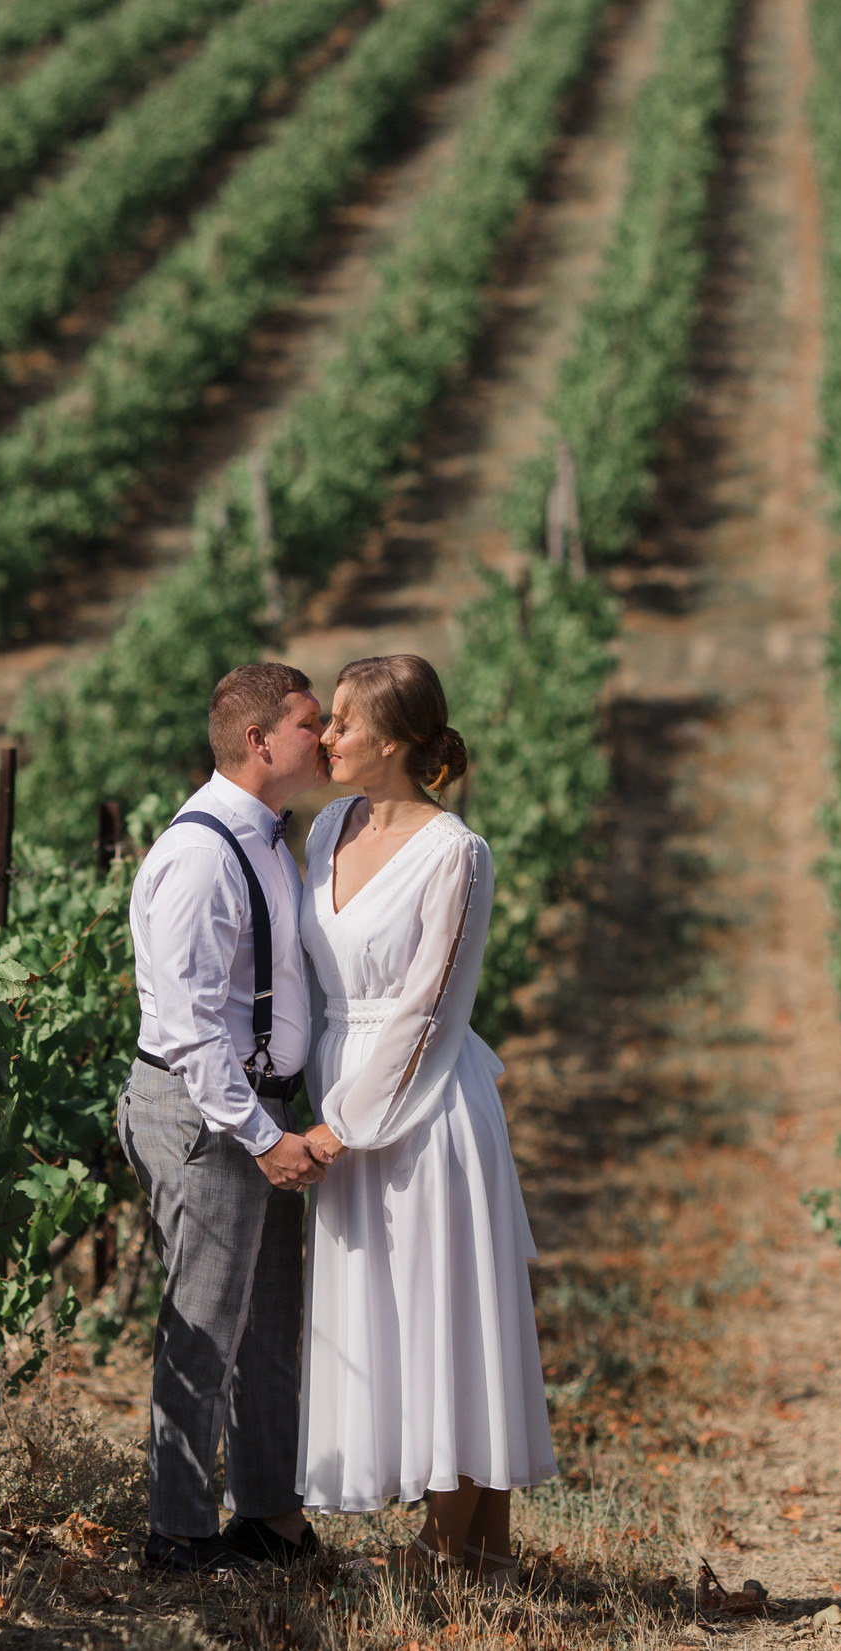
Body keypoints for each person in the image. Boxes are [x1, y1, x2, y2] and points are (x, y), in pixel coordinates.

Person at [294, 653, 557, 1589]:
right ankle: (480, 1563)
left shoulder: (456, 852)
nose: (325, 736)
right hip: (344, 1097)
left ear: (395, 742)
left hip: (424, 1111)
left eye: (342, 722)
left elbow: (428, 1007)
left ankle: (454, 1556)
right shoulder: (328, 827)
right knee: (399, 1320)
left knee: (448, 1320)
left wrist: (341, 1127)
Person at [119, 662, 332, 1576]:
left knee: (267, 1323)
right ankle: (178, 1532)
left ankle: (272, 1517)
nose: (324, 739)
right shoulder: (205, 852)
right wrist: (263, 1136)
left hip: (259, 1110)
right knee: (205, 1324)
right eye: (309, 723)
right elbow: (192, 1029)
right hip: (211, 1116)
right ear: (260, 742)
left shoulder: (273, 841)